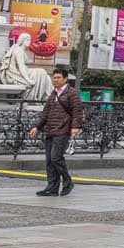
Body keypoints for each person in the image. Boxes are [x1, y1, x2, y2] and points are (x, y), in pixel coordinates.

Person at [28, 67, 84, 197]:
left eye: (58, 77)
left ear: (65, 79)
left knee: (56, 158)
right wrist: (36, 126)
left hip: (62, 129)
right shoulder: (53, 94)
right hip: (50, 130)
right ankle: (52, 187)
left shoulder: (71, 93)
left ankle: (67, 181)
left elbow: (77, 111)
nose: (55, 80)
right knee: (49, 161)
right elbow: (45, 113)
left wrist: (75, 127)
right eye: (54, 77)